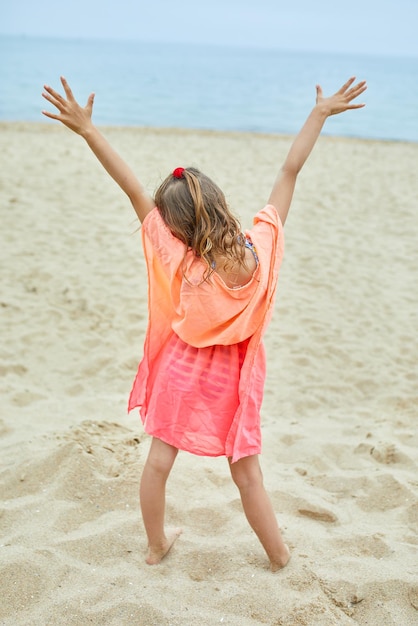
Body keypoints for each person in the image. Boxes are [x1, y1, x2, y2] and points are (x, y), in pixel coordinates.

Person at [42, 75, 367, 571]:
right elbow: (290, 169)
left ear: (175, 228)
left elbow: (130, 186)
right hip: (235, 379)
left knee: (157, 462)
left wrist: (89, 131)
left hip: (180, 371)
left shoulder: (182, 261)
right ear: (218, 203)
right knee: (249, 475)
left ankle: (156, 547)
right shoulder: (262, 243)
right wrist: (319, 113)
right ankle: (279, 557)